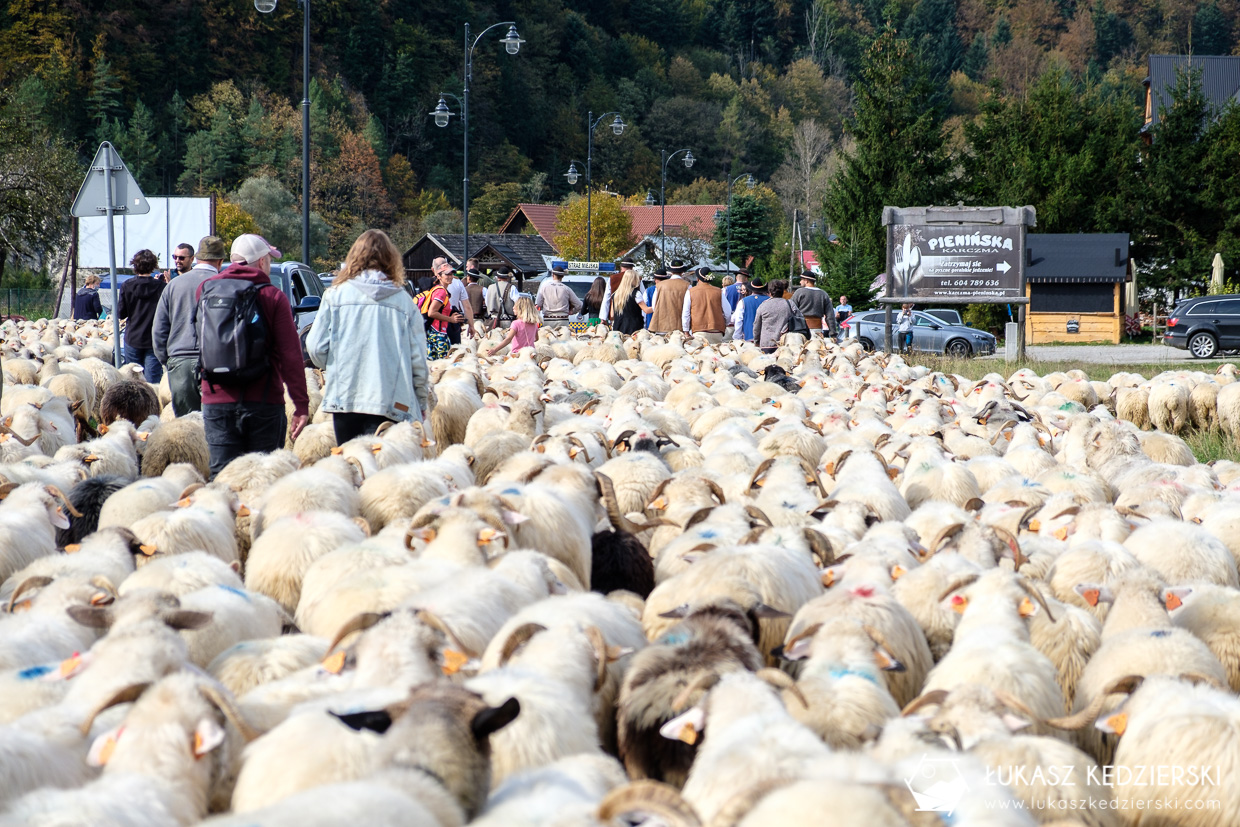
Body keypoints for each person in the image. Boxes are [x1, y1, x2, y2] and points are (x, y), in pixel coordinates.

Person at [197, 234, 309, 477]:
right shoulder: (273, 296)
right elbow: (291, 355)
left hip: (217, 399)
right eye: (268, 258)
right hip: (264, 402)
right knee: (264, 477)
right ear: (261, 262)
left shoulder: (205, 290)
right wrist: (300, 404)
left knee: (222, 478)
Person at [306, 229, 430, 445]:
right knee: (382, 470)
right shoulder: (404, 302)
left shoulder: (334, 295)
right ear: (390, 259)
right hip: (390, 400)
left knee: (351, 466)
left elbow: (315, 346)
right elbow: (417, 359)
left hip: (345, 397)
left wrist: (336, 364)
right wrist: (421, 401)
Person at [151, 235, 226, 415]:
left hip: (180, 360)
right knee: (216, 424)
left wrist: (168, 361)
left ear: (197, 258)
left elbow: (159, 329)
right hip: (217, 362)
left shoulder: (174, 285)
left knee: (188, 428)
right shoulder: (225, 284)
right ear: (221, 261)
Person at [117, 249, 167, 383]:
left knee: (132, 380)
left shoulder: (127, 286)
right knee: (152, 381)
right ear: (153, 266)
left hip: (133, 337)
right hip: (153, 339)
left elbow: (121, 313)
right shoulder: (162, 287)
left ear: (135, 265)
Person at [681, 266, 732, 344]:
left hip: (699, 331)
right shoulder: (719, 291)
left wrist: (686, 331)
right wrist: (724, 324)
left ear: (698, 279)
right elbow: (728, 312)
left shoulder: (691, 292)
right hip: (717, 331)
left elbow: (686, 313)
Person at [425, 263, 462, 359]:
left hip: (434, 332)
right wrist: (451, 319)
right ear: (439, 276)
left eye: (451, 274)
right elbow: (432, 312)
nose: (450, 277)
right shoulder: (441, 292)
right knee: (443, 363)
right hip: (439, 334)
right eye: (447, 274)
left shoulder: (438, 290)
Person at [648, 259, 691, 334]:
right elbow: (688, 309)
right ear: (682, 272)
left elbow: (654, 307)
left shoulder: (659, 285)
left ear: (671, 272)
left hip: (660, 326)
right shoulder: (687, 285)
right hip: (679, 328)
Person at [608, 267, 652, 335]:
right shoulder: (636, 293)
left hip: (618, 328)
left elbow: (612, 315)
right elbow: (646, 310)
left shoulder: (615, 294)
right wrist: (657, 307)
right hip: (634, 329)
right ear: (634, 280)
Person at [752, 279, 793, 353]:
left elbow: (756, 326)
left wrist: (756, 341)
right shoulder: (789, 304)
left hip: (766, 344)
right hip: (785, 343)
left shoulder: (763, 306)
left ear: (769, 292)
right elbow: (800, 318)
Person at [792, 271, 834, 338]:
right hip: (818, 330)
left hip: (801, 330)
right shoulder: (823, 294)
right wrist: (833, 333)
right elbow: (830, 316)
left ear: (806, 281)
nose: (800, 282)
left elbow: (791, 311)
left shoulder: (799, 292)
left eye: (801, 280)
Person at [466, 272, 488, 337]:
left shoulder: (464, 289)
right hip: (479, 320)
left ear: (469, 278)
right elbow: (487, 303)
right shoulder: (483, 289)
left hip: (467, 321)